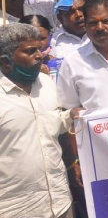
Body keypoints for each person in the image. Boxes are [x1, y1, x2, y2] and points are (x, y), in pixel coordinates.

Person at [0, 24, 79, 218]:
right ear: (6, 61)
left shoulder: (48, 84)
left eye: (39, 49)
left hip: (60, 202)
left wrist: (70, 116)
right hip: (16, 209)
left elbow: (51, 124)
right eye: (30, 51)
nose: (39, 55)